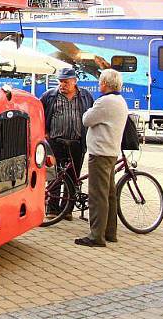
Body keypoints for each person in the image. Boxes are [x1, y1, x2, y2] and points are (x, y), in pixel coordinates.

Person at [75, 69, 128, 247]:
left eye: (100, 82)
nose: (99, 85)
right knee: (110, 194)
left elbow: (86, 120)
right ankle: (110, 232)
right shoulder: (120, 101)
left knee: (98, 195)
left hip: (100, 153)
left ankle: (96, 236)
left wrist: (89, 110)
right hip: (111, 152)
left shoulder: (105, 102)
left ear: (105, 84)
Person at [40, 66, 94, 218]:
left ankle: (67, 210)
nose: (62, 85)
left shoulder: (85, 96)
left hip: (77, 142)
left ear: (74, 82)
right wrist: (43, 132)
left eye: (65, 82)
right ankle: (51, 209)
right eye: (60, 82)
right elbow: (39, 114)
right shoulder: (50, 96)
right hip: (55, 142)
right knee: (54, 175)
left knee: (72, 176)